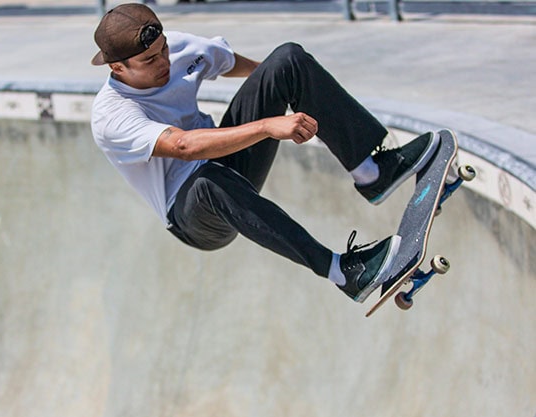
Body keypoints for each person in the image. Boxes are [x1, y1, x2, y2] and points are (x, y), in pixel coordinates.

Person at [90, 3, 439, 303]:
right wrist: (267, 125)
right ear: (117, 68)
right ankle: (343, 272)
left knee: (287, 58)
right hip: (192, 215)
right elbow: (182, 146)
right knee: (207, 181)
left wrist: (287, 83)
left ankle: (372, 172)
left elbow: (237, 65)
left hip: (227, 163)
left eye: (164, 50)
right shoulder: (113, 115)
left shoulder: (176, 47)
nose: (164, 61)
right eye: (150, 60)